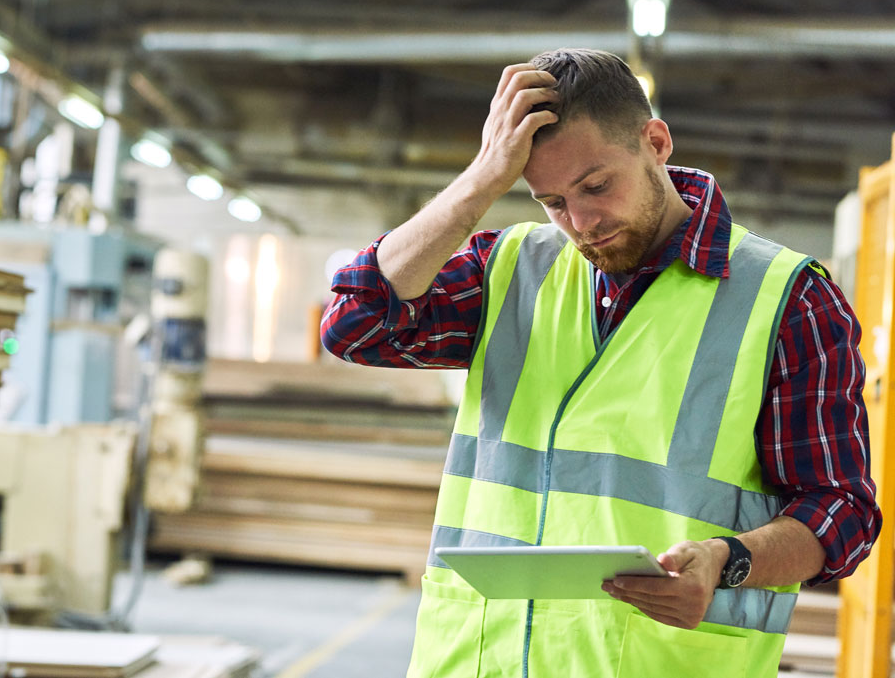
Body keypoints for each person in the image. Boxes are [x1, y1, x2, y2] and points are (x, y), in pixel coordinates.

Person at [320, 49, 880, 678]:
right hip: (481, 661)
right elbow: (355, 325)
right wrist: (480, 181)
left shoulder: (787, 299)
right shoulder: (507, 270)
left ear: (656, 142)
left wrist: (728, 561)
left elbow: (840, 511)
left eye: (596, 185)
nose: (581, 223)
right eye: (552, 201)